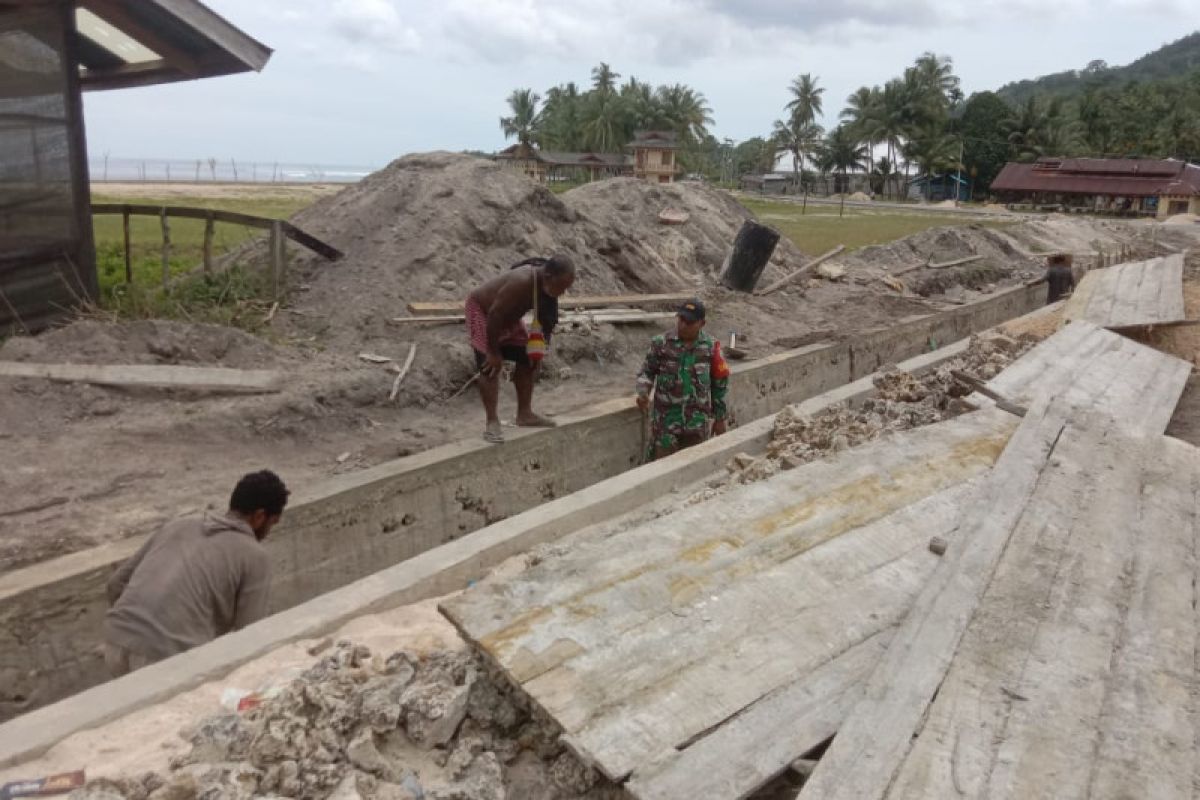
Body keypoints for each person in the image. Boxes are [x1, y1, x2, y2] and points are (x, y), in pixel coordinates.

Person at [103, 470, 289, 677]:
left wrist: (136, 631)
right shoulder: (254, 555)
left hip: (114, 642)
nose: (269, 531)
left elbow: (115, 584)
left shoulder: (178, 525)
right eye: (272, 523)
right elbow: (249, 635)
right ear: (259, 516)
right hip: (165, 658)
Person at [465, 255, 576, 443]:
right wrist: (493, 352)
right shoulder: (522, 281)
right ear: (549, 276)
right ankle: (492, 421)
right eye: (561, 287)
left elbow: (547, 320)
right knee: (489, 366)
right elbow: (494, 314)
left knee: (529, 358)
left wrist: (540, 347)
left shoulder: (547, 287)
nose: (563, 292)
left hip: (508, 317)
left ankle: (524, 414)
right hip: (485, 313)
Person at [635, 299, 731, 461]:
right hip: (666, 425)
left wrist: (720, 418)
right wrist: (643, 391)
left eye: (689, 322)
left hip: (696, 425)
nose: (683, 325)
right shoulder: (660, 343)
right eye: (681, 320)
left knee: (694, 470)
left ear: (702, 323)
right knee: (662, 469)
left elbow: (719, 384)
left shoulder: (710, 347)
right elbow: (647, 372)